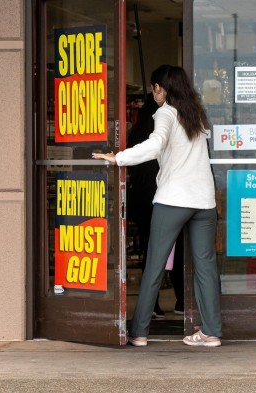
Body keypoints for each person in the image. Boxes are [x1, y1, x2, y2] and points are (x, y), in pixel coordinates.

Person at [93, 64, 222, 347]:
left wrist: (118, 158)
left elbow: (154, 145)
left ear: (160, 88)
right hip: (203, 201)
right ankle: (211, 332)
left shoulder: (165, 113)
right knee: (205, 267)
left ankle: (139, 332)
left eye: (154, 88)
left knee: (154, 266)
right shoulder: (196, 115)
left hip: (173, 199)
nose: (154, 93)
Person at [126, 94, 184, 318]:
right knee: (177, 249)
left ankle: (152, 304)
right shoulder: (167, 129)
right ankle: (181, 299)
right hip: (166, 197)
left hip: (142, 200)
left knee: (152, 252)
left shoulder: (137, 133)